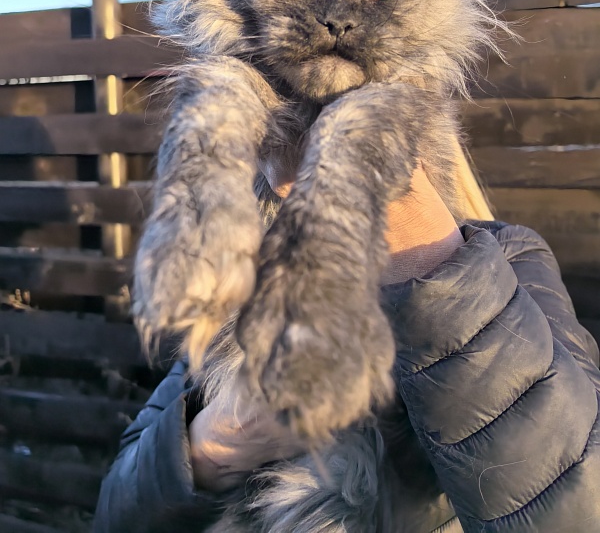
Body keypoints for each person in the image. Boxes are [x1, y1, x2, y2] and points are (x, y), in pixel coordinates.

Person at [93, 166, 600, 531]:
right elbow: (116, 510)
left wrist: (432, 263)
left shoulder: (511, 257)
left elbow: (578, 505)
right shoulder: (240, 290)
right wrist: (219, 443)